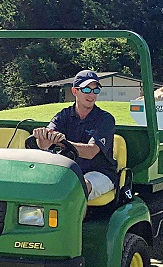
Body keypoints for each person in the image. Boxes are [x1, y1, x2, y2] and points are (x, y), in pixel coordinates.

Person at [32, 70, 117, 201]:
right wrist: (42, 136)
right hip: (68, 170)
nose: (92, 95)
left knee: (77, 189)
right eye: (86, 90)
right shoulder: (64, 115)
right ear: (75, 91)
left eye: (96, 90)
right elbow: (44, 145)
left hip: (100, 172)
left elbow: (91, 152)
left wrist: (63, 142)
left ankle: (74, 222)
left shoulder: (105, 119)